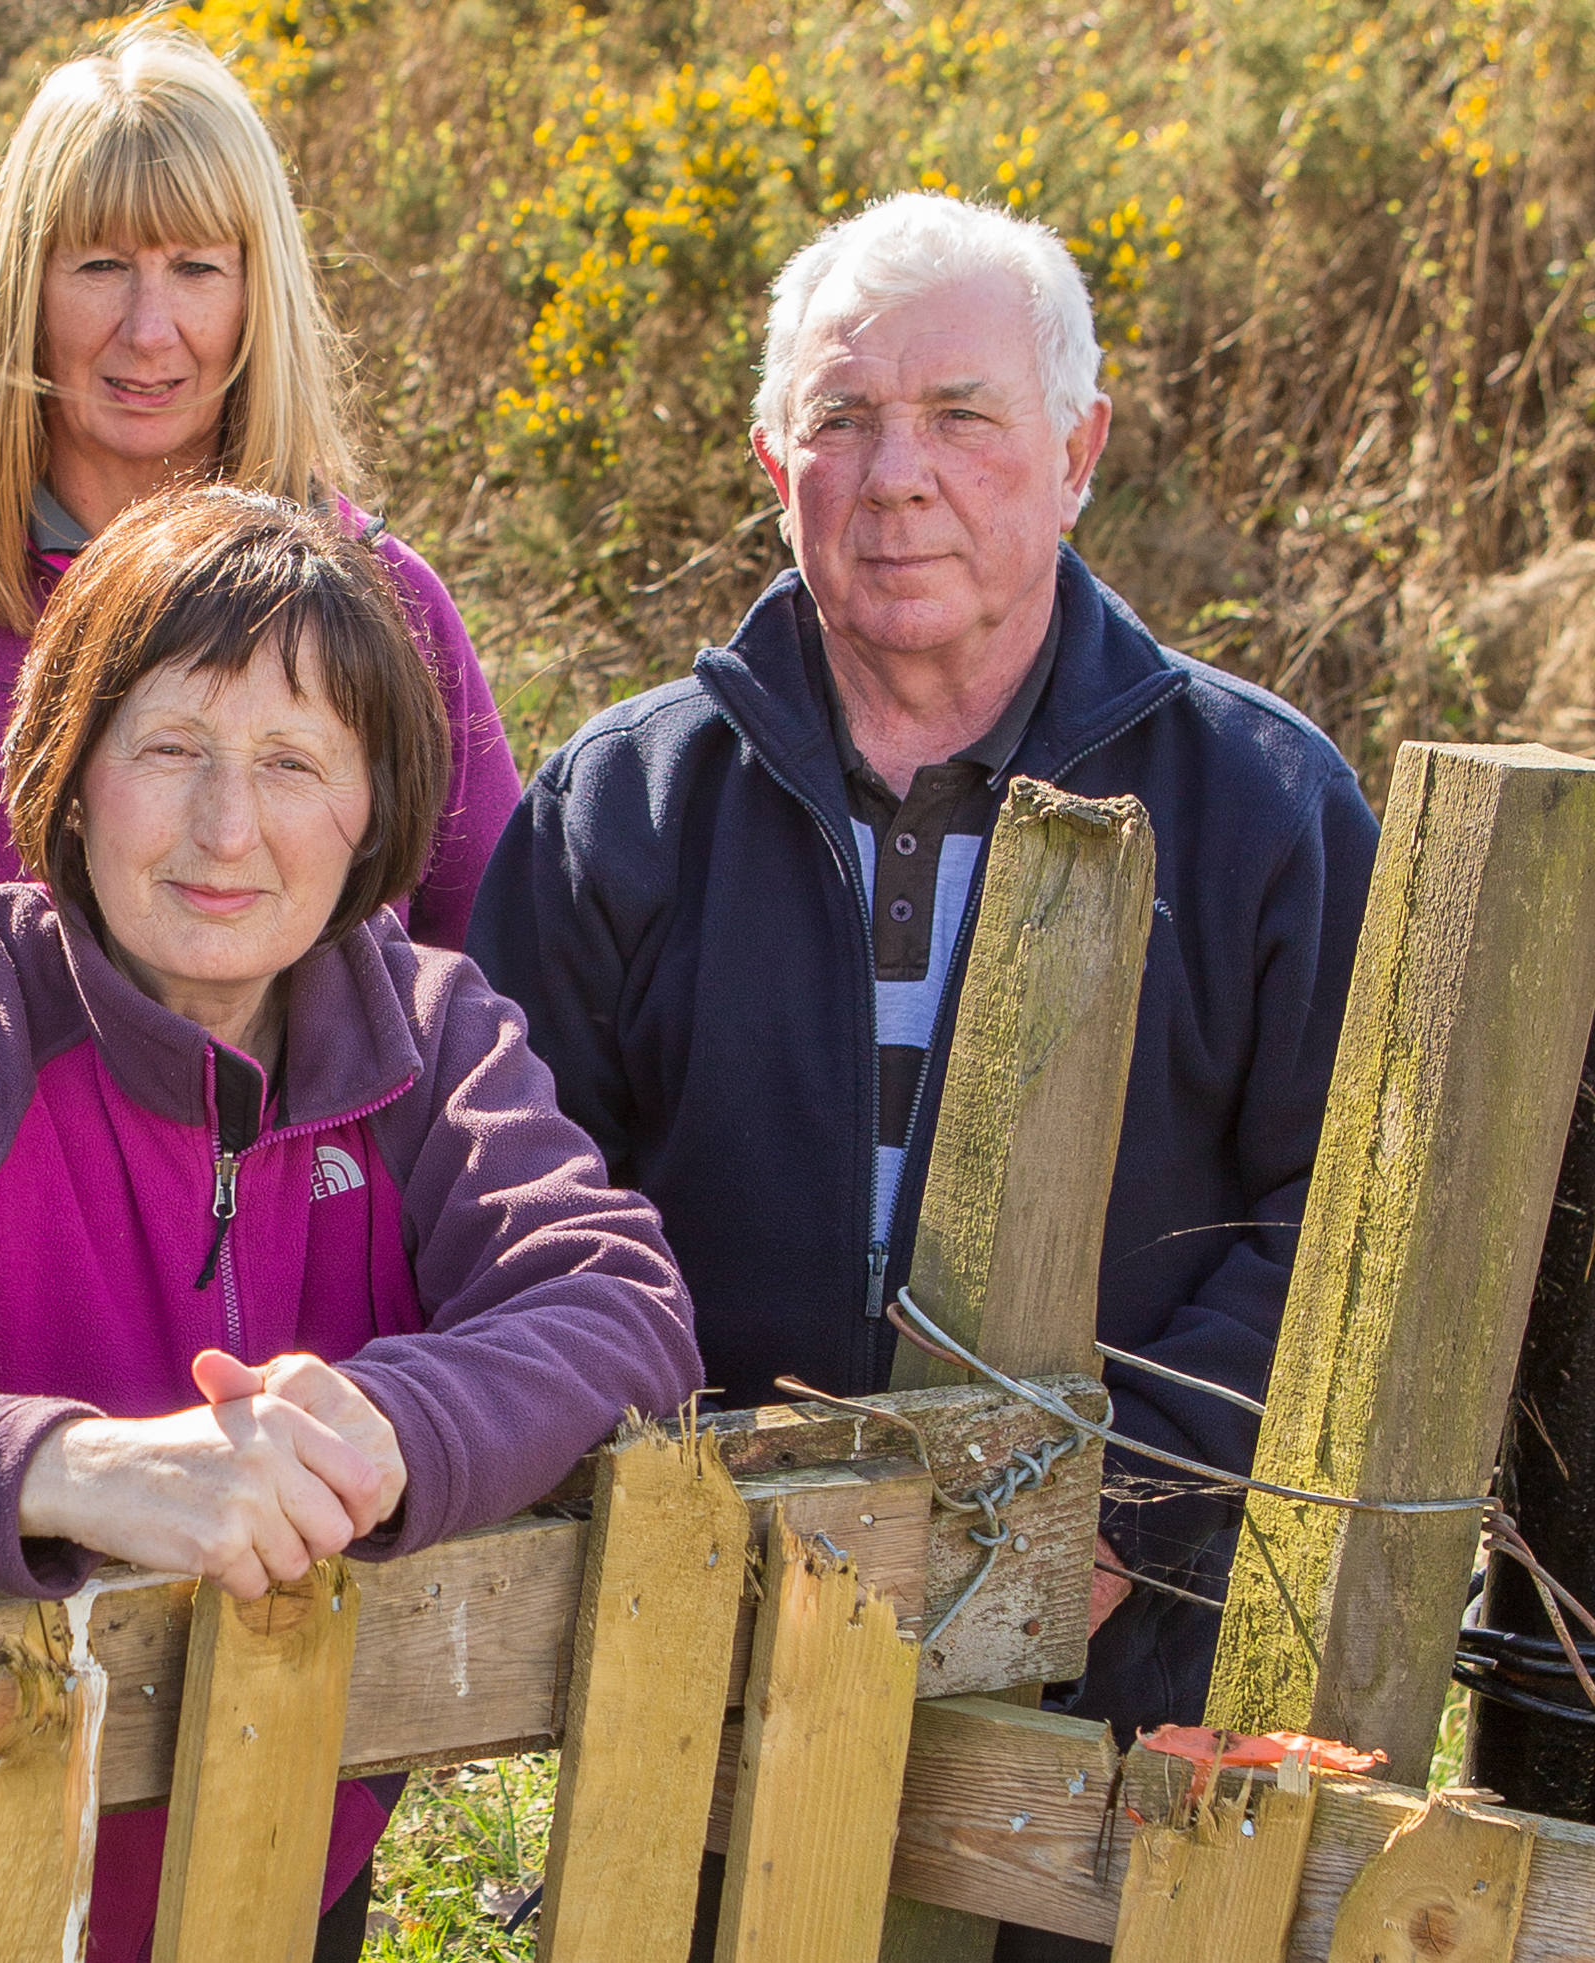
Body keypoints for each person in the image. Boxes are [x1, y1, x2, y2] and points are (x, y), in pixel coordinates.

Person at [0, 489, 700, 1963]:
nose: (225, 827)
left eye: (292, 761)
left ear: (373, 805)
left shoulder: (429, 1029)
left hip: (272, 1861)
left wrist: (382, 1425)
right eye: (171, 748)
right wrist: (77, 1467)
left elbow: (620, 1301)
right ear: (72, 775)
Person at [469, 193, 1379, 1768]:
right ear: (776, 468)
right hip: (711, 1657)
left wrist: (1125, 1508)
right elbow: (510, 1195)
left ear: (1081, 450)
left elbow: (1347, 1215)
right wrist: (669, 1514)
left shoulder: (1267, 808)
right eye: (846, 418)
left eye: (964, 417)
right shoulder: (617, 805)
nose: (899, 477)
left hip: (1134, 1681)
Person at [0, 26, 521, 1114]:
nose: (149, 327)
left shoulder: (388, 608)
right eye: (100, 265)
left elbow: (496, 1001)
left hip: (306, 1272)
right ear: (19, 286)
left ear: (257, 291)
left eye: (197, 268)